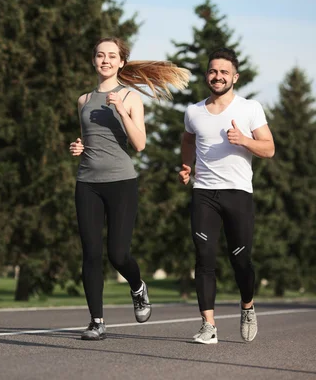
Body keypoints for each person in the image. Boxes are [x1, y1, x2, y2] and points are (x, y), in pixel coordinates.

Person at [70, 37, 190, 341]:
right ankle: (96, 321)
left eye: (112, 56)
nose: (105, 60)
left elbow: (139, 144)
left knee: (118, 254)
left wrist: (122, 111)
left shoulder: (131, 98)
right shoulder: (83, 100)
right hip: (87, 183)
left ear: (122, 62)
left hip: (121, 182)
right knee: (91, 253)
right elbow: (91, 141)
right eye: (100, 55)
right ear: (94, 60)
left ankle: (137, 286)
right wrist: (77, 146)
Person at [178, 47, 275, 344]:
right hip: (204, 193)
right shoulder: (193, 111)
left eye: (223, 72)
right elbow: (188, 138)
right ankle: (209, 325)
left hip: (238, 193)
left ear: (235, 76)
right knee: (204, 258)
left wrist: (244, 140)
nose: (217, 76)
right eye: (212, 71)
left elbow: (269, 148)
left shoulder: (249, 109)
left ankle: (247, 306)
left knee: (241, 261)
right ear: (206, 75)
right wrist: (185, 165)